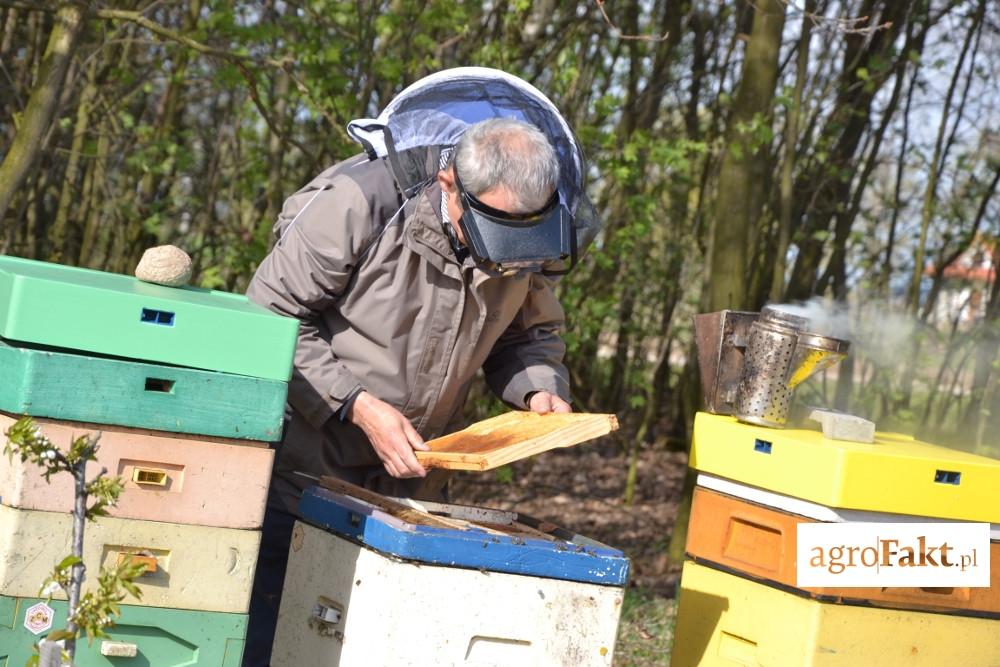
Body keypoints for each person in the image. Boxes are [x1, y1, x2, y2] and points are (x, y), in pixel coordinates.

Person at [242, 116, 577, 666]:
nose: (509, 252)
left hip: (411, 487)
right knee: (274, 638)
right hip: (302, 466)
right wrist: (356, 405)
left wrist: (539, 391)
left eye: (524, 232)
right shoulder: (359, 203)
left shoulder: (524, 235)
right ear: (451, 184)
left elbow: (530, 336)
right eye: (497, 228)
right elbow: (269, 317)